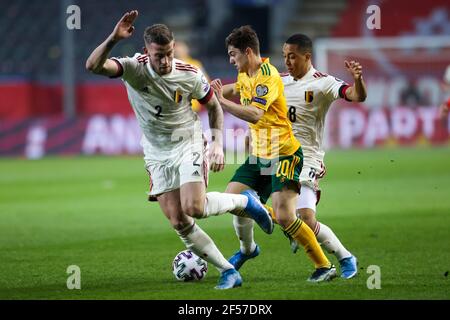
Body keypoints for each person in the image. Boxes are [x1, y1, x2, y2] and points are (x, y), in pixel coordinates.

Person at [85, 10, 273, 290]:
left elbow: (212, 105)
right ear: (146, 52)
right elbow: (93, 66)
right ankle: (228, 270)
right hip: (156, 151)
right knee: (178, 220)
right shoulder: (133, 68)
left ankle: (246, 203)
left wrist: (218, 143)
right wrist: (114, 38)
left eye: (169, 53)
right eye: (159, 55)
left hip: (187, 140)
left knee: (194, 207)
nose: (165, 60)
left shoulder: (189, 73)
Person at [211, 26, 336, 282]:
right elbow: (232, 89)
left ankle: (324, 266)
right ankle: (256, 228)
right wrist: (207, 92)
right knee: (230, 200)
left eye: (233, 54)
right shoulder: (246, 74)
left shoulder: (267, 76)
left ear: (248, 51)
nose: (231, 60)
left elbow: (255, 114)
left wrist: (221, 102)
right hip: (259, 155)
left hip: (284, 155)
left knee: (286, 216)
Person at [174, 40, 211, 112]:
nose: (177, 51)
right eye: (175, 49)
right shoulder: (169, 65)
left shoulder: (194, 64)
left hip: (192, 107)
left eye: (179, 49)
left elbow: (206, 83)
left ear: (186, 50)